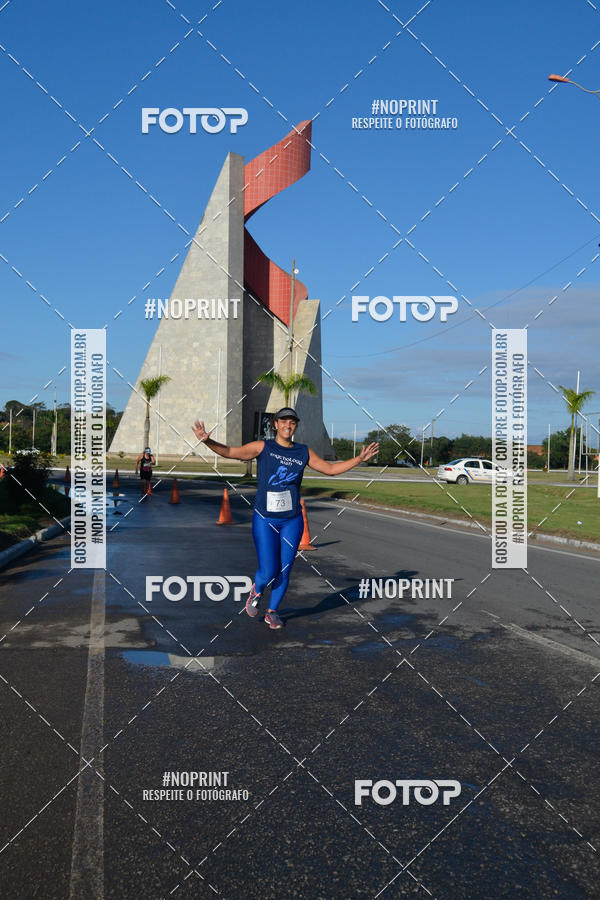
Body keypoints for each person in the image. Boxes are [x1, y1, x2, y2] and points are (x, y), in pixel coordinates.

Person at [192, 409, 378, 629]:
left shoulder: (303, 451)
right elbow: (232, 452)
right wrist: (208, 441)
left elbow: (329, 469)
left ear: (295, 426)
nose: (288, 425)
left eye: (292, 422)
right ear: (275, 425)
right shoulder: (263, 447)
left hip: (292, 520)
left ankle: (273, 612)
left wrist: (358, 459)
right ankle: (257, 591)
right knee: (269, 570)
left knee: (285, 569)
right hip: (265, 519)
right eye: (283, 421)